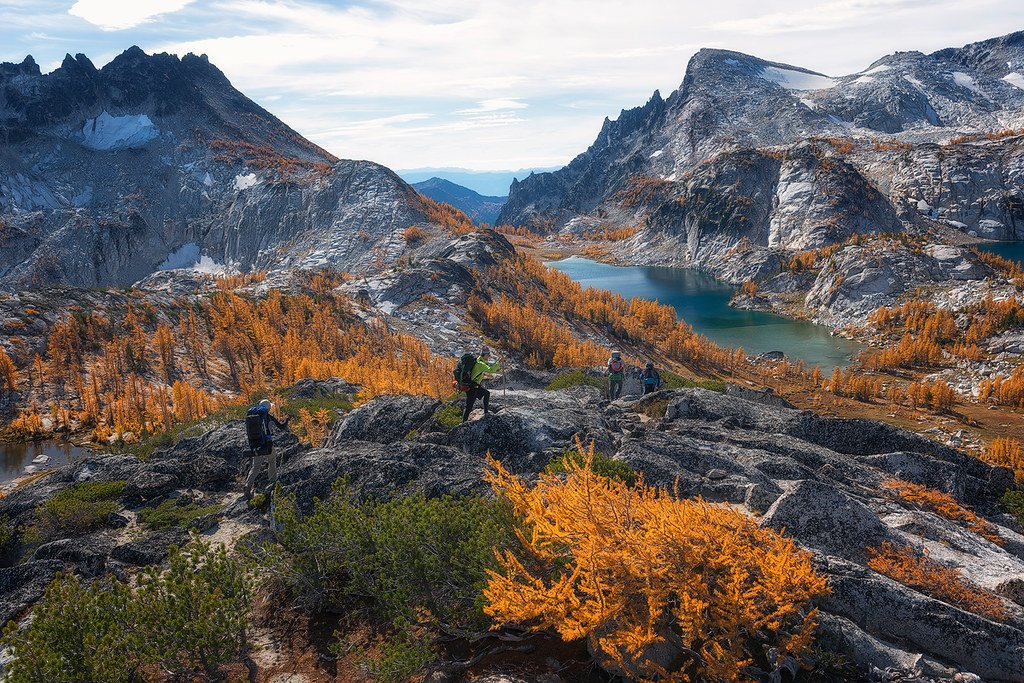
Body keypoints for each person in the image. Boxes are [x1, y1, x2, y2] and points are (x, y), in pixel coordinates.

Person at [244, 398, 290, 499]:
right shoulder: (268, 416)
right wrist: (287, 419)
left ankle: (247, 486)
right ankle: (273, 483)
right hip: (267, 445)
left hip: (255, 445)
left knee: (255, 467)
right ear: (268, 407)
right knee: (272, 461)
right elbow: (281, 426)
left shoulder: (251, 415)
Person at [463, 345, 500, 422]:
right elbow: (491, 370)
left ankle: (486, 413)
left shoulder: (478, 360)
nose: (489, 356)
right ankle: (463, 424)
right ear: (485, 355)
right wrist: (499, 362)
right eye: (488, 355)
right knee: (468, 407)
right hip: (472, 388)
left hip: (474, 385)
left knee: (486, 393)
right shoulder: (480, 364)